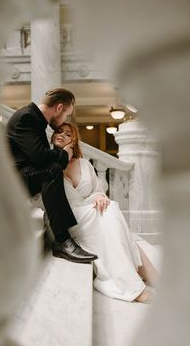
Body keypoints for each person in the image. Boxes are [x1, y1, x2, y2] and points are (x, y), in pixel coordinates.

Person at [50, 122, 159, 303]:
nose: (62, 135)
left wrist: (100, 195)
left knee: (110, 209)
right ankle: (132, 287)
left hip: (90, 210)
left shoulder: (84, 164)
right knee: (112, 220)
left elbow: (97, 190)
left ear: (74, 140)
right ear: (53, 137)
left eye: (68, 134)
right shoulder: (49, 163)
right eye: (59, 132)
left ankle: (152, 278)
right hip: (69, 218)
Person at [6, 88, 98, 264]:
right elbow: (39, 156)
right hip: (13, 182)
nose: (65, 120)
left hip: (23, 177)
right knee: (54, 168)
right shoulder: (28, 117)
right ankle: (63, 240)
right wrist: (64, 155)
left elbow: (38, 158)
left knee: (53, 168)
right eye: (66, 115)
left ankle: (63, 240)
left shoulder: (36, 119)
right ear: (59, 107)